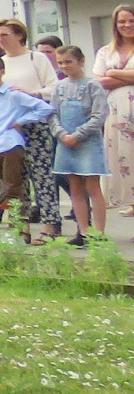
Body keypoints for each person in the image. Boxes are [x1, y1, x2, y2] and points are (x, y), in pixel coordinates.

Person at [0, 18, 61, 238]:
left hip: (36, 123)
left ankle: (50, 224)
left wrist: (32, 93)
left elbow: (54, 88)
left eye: (5, 35)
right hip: (10, 127)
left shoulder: (35, 58)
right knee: (14, 179)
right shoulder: (0, 62)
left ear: (19, 35)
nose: (0, 39)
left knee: (42, 174)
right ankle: (21, 226)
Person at [0, 53, 53, 239]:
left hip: (10, 145)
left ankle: (19, 229)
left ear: (1, 72)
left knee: (13, 187)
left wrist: (21, 121)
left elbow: (44, 108)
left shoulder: (14, 94)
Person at [50, 46, 109, 247]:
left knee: (92, 186)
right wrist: (62, 134)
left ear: (81, 61)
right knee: (74, 186)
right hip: (65, 142)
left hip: (88, 142)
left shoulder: (93, 85)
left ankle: (99, 233)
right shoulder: (59, 87)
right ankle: (83, 232)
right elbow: (53, 115)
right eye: (61, 63)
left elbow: (100, 115)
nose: (65, 66)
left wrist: (78, 135)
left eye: (69, 61)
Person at [95, 5, 134, 215]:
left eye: (131, 20)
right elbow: (98, 81)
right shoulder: (105, 50)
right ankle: (130, 201)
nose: (127, 25)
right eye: (122, 21)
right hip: (116, 112)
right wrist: (125, 75)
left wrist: (114, 72)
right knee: (122, 157)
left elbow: (107, 76)